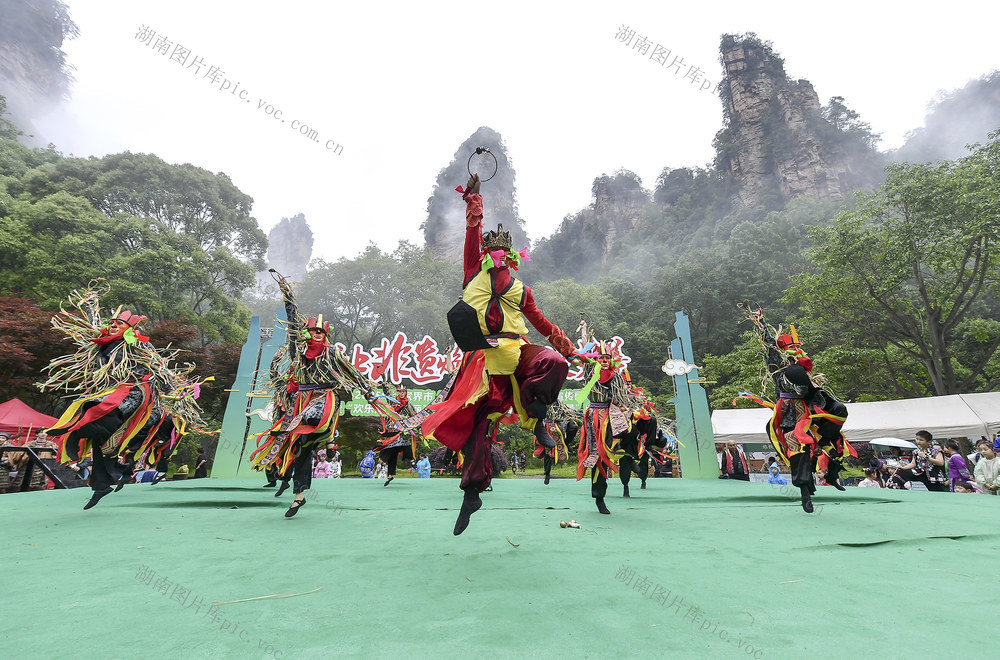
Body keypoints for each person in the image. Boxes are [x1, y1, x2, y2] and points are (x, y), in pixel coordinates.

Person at [420, 172, 575, 535]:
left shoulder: (523, 290)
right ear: (487, 255)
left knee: (554, 361)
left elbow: (543, 324)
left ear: (513, 259)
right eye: (493, 251)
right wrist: (475, 200)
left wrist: (569, 347)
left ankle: (537, 414)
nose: (499, 256)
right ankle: (472, 492)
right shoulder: (473, 271)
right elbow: (473, 230)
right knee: (479, 426)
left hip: (517, 352)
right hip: (486, 360)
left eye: (504, 252)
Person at [41, 283, 209, 509]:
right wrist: (91, 304)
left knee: (98, 411)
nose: (112, 327)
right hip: (111, 391)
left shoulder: (137, 345)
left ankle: (126, 453)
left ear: (128, 328)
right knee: (102, 440)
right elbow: (92, 326)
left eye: (118, 324)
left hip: (133, 392)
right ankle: (103, 482)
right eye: (111, 324)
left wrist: (173, 392)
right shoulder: (102, 346)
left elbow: (160, 368)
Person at [250, 270, 376, 517]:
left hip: (324, 398)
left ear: (326, 335)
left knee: (311, 418)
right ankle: (299, 496)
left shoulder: (333, 354)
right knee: (299, 449)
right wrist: (288, 300)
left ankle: (330, 439)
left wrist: (368, 391)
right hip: (301, 401)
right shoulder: (298, 352)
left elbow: (352, 372)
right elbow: (293, 330)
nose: (316, 335)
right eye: (313, 331)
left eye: (321, 332)